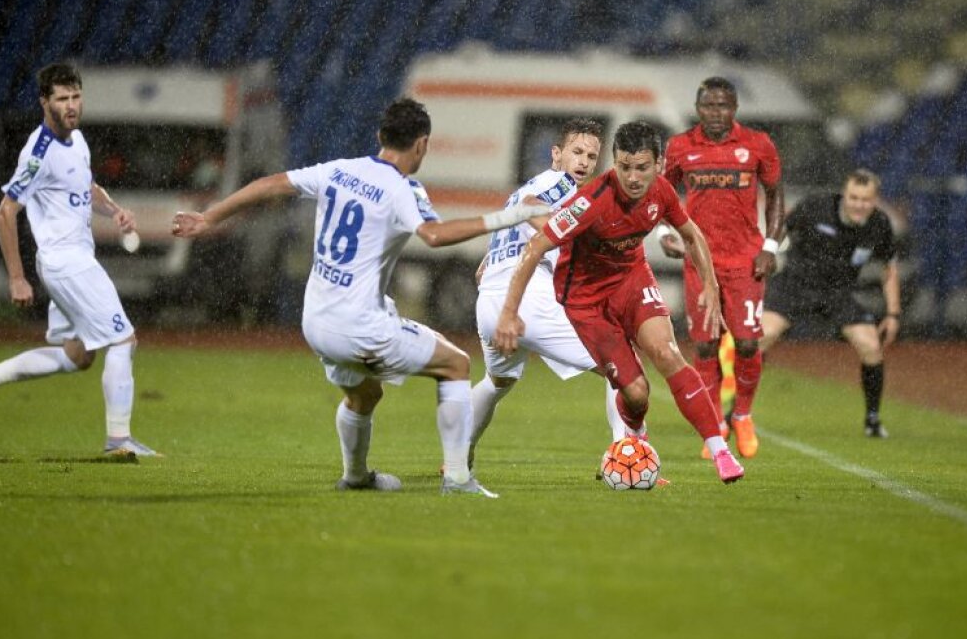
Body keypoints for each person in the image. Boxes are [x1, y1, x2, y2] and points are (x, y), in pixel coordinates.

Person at [172, 98, 548, 496]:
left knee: (365, 392)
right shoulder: (401, 189)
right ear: (421, 145)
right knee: (455, 365)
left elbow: (271, 185)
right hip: (359, 325)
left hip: (317, 322)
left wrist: (210, 216)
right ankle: (457, 479)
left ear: (380, 136)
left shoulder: (339, 170)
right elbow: (435, 236)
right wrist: (512, 216)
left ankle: (355, 477)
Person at [494, 121, 746, 484]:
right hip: (586, 300)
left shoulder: (661, 191)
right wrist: (508, 312)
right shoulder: (590, 201)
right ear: (614, 162)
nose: (632, 177)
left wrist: (711, 285)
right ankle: (637, 434)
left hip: (631, 279)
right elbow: (537, 246)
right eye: (624, 166)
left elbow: (692, 234)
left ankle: (721, 452)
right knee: (637, 392)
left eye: (641, 167)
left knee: (668, 353)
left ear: (659, 165)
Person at [0, 63, 156, 457]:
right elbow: (5, 212)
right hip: (66, 262)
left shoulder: (77, 140)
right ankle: (118, 441)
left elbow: (85, 186)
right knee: (124, 339)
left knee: (78, 355)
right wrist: (16, 277)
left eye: (75, 96)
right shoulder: (39, 152)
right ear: (44, 102)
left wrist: (114, 211)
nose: (71, 105)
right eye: (62, 98)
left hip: (71, 260)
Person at [471, 119, 625, 470]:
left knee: (498, 381)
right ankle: (626, 459)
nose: (584, 162)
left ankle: (456, 458)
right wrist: (566, 235)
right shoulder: (561, 182)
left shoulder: (529, 186)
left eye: (591, 155)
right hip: (526, 296)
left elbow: (495, 248)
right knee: (621, 364)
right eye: (576, 152)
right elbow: (530, 205)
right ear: (557, 154)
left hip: (491, 296)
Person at [659, 76, 784, 459]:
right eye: (709, 106)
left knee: (747, 343)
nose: (716, 113)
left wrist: (770, 245)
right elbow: (662, 193)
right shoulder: (680, 147)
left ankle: (742, 414)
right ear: (698, 108)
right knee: (705, 344)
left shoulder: (757, 145)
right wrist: (666, 230)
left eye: (723, 106)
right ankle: (715, 426)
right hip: (700, 262)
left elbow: (777, 194)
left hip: (745, 262)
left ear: (735, 109)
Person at [759, 169, 900, 438]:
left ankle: (872, 419)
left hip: (838, 293)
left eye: (866, 200)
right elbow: (779, 227)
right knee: (759, 338)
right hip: (795, 285)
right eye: (854, 197)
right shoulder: (816, 206)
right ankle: (739, 410)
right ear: (844, 195)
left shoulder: (879, 224)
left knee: (871, 346)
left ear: (875, 200)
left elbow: (889, 269)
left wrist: (893, 313)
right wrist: (768, 253)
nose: (859, 204)